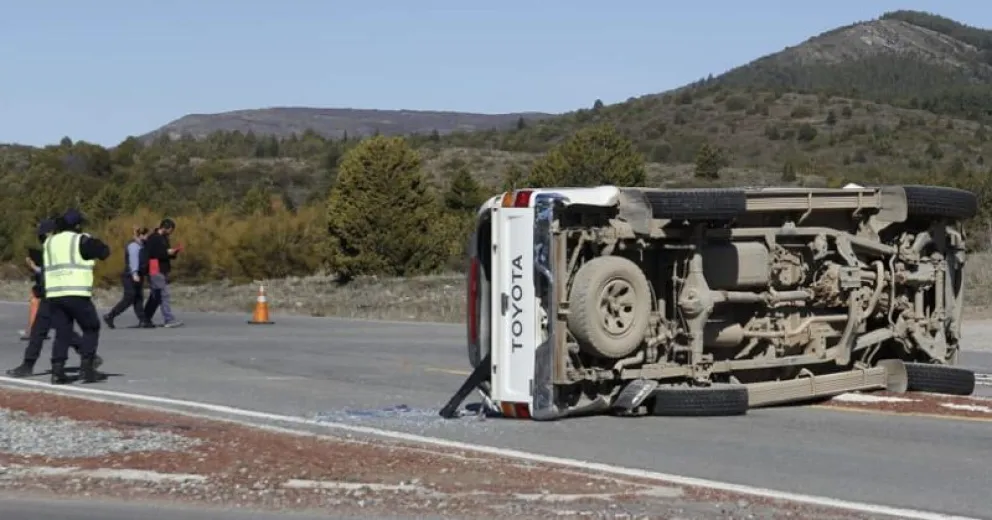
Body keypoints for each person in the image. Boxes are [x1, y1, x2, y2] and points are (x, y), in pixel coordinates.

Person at [5, 218, 103, 378]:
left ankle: (86, 357)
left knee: (61, 331)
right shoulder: (52, 246)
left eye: (42, 236)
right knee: (41, 332)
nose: (41, 239)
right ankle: (28, 364)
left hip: (55, 294)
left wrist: (36, 270)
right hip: (49, 294)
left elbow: (51, 271)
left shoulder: (55, 246)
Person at [44, 209, 111, 384]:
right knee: (91, 327)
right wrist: (90, 238)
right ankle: (87, 369)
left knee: (63, 332)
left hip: (54, 293)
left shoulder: (50, 242)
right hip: (75, 292)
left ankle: (57, 371)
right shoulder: (79, 240)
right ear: (78, 225)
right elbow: (104, 252)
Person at [103, 226, 152, 329]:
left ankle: (143, 320)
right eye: (146, 235)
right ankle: (110, 316)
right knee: (129, 297)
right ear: (141, 235)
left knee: (138, 297)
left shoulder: (142, 245)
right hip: (130, 276)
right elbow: (133, 260)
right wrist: (134, 273)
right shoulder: (133, 246)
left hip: (139, 275)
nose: (148, 237)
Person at [142, 218, 184, 328]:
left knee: (156, 295)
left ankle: (145, 318)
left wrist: (174, 252)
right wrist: (167, 252)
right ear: (167, 228)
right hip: (154, 267)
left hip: (162, 267)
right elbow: (153, 254)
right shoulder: (153, 238)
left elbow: (166, 253)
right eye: (171, 230)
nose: (171, 232)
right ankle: (168, 319)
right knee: (164, 294)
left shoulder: (164, 238)